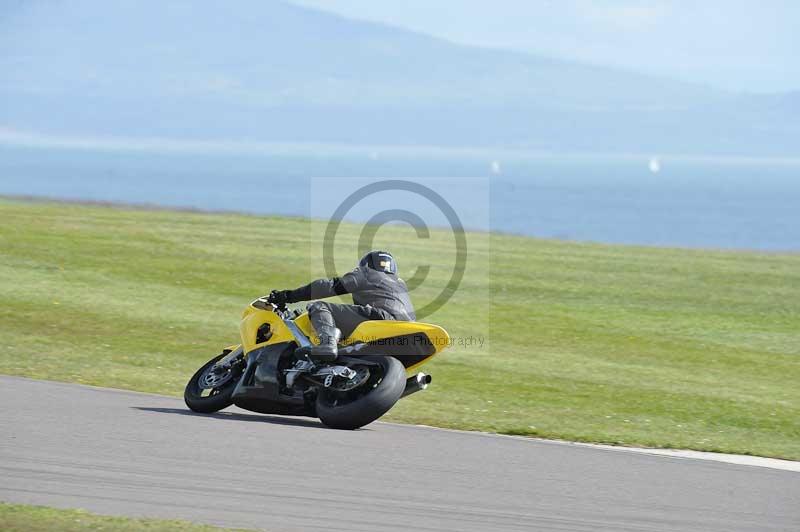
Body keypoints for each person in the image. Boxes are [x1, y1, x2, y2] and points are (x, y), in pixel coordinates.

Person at [268, 250, 416, 361]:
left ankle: (326, 343)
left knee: (320, 306)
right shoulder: (400, 284)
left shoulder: (367, 273)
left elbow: (327, 286)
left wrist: (288, 296)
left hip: (381, 318)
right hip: (407, 329)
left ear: (367, 265)